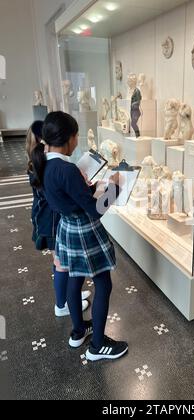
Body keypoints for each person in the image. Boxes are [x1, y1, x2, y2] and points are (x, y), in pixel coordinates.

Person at [31, 112, 128, 362]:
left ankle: (78, 331)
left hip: (66, 227)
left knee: (75, 280)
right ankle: (97, 346)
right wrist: (116, 186)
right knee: (103, 284)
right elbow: (96, 211)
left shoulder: (45, 164)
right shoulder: (66, 169)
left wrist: (88, 187)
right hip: (84, 230)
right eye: (76, 136)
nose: (77, 141)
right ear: (69, 139)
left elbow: (69, 195)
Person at [26, 121, 91, 317]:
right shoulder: (48, 166)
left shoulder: (42, 162)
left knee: (62, 261)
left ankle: (70, 295)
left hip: (50, 220)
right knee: (61, 263)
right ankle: (62, 304)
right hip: (52, 222)